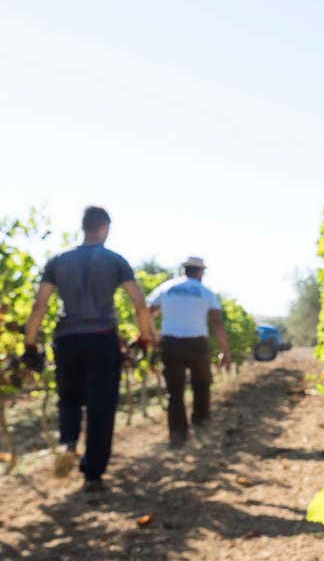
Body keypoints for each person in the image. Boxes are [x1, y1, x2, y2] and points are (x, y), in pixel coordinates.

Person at [23, 206, 157, 492]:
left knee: (68, 397)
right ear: (105, 227)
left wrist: (30, 344)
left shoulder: (58, 261)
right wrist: (144, 336)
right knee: (101, 407)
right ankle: (93, 474)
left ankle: (69, 442)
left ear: (83, 227)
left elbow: (40, 305)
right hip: (101, 338)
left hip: (67, 339)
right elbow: (139, 304)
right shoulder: (115, 261)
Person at [147, 256, 232, 446]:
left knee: (174, 391)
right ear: (200, 272)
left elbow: (147, 311)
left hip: (170, 343)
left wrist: (152, 335)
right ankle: (201, 425)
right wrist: (225, 351)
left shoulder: (166, 288)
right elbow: (217, 323)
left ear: (184, 269)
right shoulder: (206, 292)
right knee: (202, 385)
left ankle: (177, 436)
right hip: (197, 343)